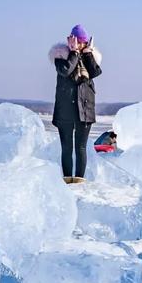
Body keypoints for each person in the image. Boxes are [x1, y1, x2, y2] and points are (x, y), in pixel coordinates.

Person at [49, 24, 102, 183]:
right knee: (66, 147)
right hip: (65, 110)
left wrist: (87, 54)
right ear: (71, 40)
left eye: (83, 42)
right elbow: (66, 70)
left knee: (81, 147)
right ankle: (67, 180)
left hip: (84, 109)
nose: (80, 44)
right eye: (78, 41)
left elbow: (95, 72)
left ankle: (79, 181)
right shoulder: (60, 56)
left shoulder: (89, 57)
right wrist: (74, 53)